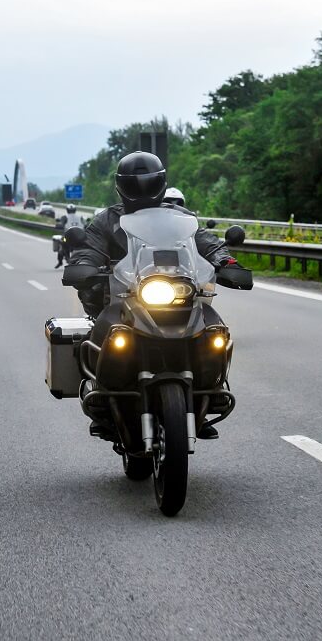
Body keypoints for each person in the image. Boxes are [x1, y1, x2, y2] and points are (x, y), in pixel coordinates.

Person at [68, 151, 242, 438]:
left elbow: (206, 243)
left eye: (148, 183)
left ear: (159, 183)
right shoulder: (106, 221)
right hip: (123, 297)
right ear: (122, 186)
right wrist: (84, 265)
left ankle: (210, 392)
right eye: (135, 184)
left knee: (214, 330)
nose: (142, 190)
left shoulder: (181, 218)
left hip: (180, 295)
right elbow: (89, 247)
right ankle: (102, 396)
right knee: (105, 329)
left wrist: (226, 262)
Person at [54, 204, 85, 268]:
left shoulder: (64, 217)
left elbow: (61, 225)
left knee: (62, 242)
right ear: (75, 210)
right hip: (79, 236)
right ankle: (64, 259)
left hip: (68, 236)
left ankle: (61, 261)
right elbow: (86, 224)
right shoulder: (80, 217)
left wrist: (59, 225)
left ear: (67, 210)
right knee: (62, 242)